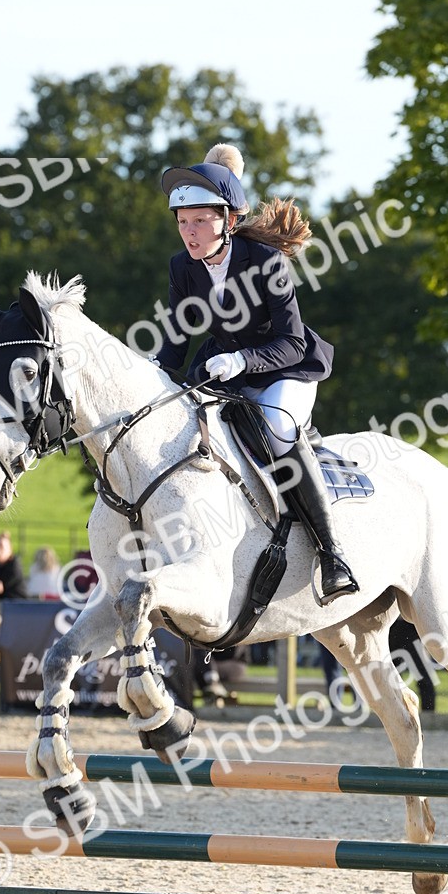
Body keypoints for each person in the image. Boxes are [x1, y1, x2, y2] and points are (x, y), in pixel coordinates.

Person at [155, 143, 358, 605]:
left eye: (200, 221)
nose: (189, 232)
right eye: (183, 222)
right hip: (223, 367)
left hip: (286, 367)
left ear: (228, 221)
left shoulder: (266, 261)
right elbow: (176, 340)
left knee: (277, 429)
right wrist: (154, 372)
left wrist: (243, 360)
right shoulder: (182, 267)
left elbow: (291, 341)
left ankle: (332, 555)